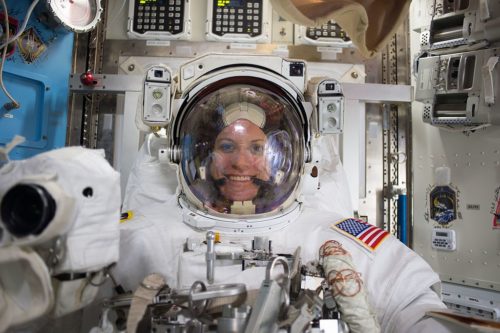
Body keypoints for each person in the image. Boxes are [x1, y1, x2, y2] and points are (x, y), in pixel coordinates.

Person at [114, 84, 456, 332]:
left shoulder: (331, 236)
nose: (240, 162)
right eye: (227, 146)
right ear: (200, 155)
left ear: (288, 158)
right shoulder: (144, 237)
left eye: (257, 148)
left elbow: (412, 306)